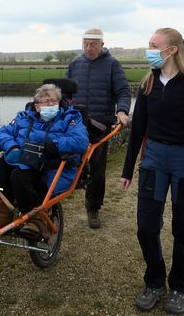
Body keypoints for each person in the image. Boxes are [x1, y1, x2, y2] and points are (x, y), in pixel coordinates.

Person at [120, 28, 184, 315]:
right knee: (146, 227)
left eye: (153, 45)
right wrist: (127, 170)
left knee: (183, 229)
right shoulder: (148, 84)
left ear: (171, 50)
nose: (148, 49)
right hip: (154, 159)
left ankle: (179, 288)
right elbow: (138, 130)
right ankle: (155, 281)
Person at [0, 83, 89, 238]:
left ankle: (36, 220)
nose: (50, 104)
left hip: (51, 165)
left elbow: (80, 141)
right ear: (37, 106)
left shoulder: (70, 118)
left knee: (19, 176)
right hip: (25, 160)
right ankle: (2, 214)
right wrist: (11, 147)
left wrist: (51, 144)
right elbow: (0, 134)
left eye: (54, 100)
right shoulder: (23, 117)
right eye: (46, 101)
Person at [66, 28, 131, 229]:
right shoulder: (75, 64)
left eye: (93, 44)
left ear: (102, 44)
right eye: (85, 44)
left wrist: (122, 111)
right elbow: (65, 92)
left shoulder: (112, 64)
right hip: (76, 122)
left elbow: (122, 91)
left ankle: (93, 208)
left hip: (100, 124)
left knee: (97, 169)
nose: (89, 48)